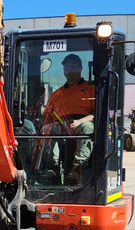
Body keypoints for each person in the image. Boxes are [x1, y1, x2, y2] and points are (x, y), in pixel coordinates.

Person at [40, 53, 95, 183]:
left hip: (83, 122)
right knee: (46, 129)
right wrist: (46, 127)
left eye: (73, 66)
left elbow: (97, 114)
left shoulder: (91, 89)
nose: (69, 70)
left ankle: (77, 168)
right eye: (67, 67)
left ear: (81, 68)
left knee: (87, 128)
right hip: (62, 124)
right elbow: (48, 115)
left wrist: (79, 121)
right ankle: (51, 168)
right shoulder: (57, 94)